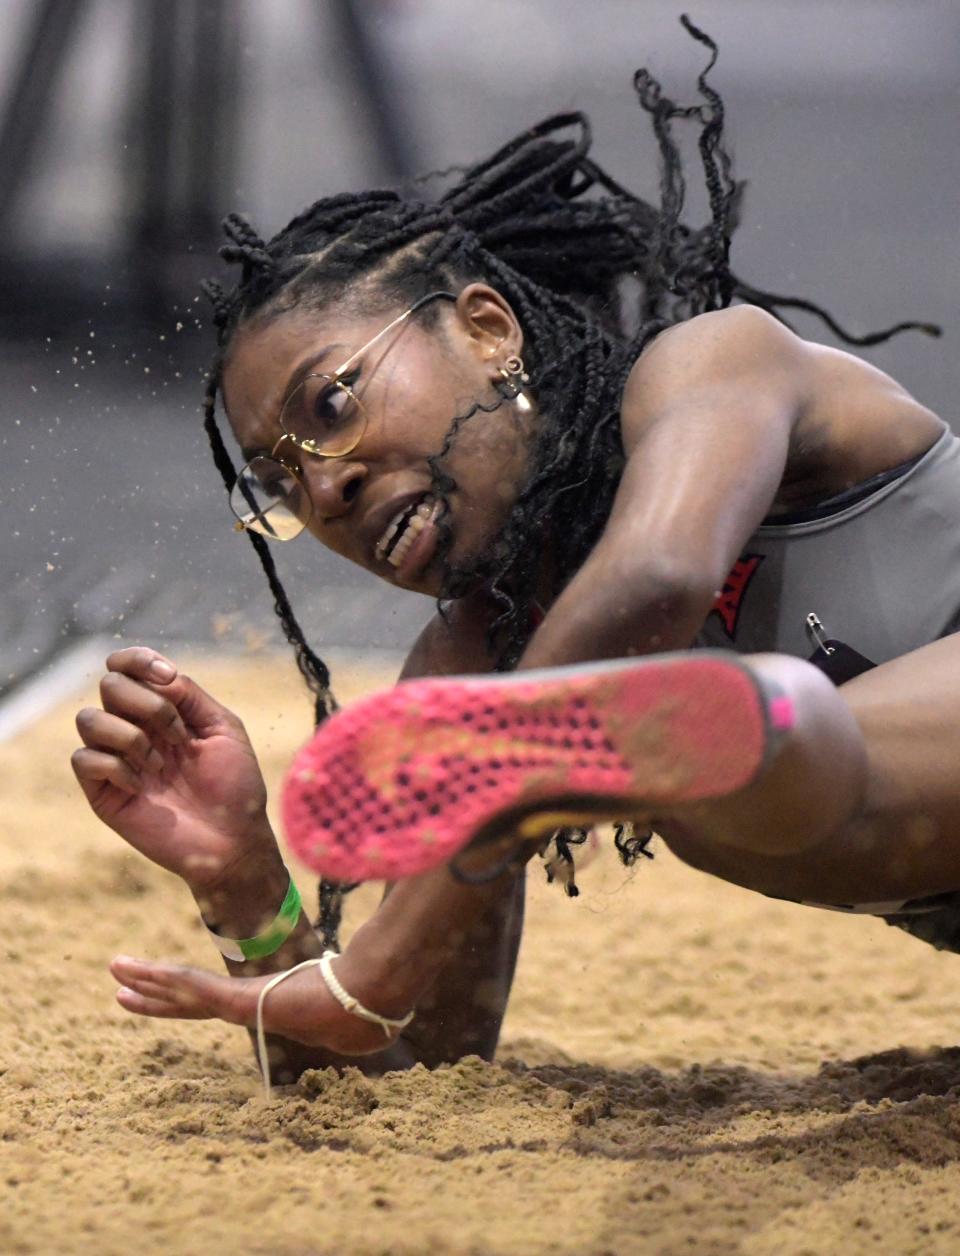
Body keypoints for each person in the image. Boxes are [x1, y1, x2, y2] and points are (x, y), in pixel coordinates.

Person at [72, 18, 958, 1085]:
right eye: (280, 485)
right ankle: (763, 728)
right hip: (754, 757)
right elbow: (415, 1071)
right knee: (703, 763)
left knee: (688, 719)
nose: (325, 484)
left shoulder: (711, 368)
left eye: (335, 402)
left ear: (488, 329)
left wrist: (393, 944)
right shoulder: (472, 663)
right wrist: (248, 884)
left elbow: (659, 579)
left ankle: (772, 721)